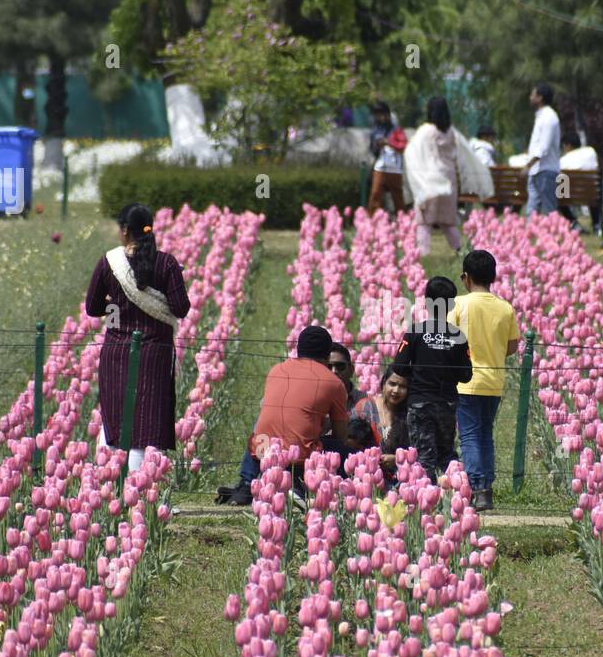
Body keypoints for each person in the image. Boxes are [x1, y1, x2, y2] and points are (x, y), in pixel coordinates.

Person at [85, 203, 192, 472]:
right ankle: (135, 490)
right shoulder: (167, 264)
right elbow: (181, 309)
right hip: (154, 355)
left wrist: (115, 302)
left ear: (124, 231)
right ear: (150, 229)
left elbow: (92, 308)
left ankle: (105, 486)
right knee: (143, 426)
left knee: (114, 417)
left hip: (116, 354)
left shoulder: (110, 263)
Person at [218, 325, 350, 506]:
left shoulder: (277, 370)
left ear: (298, 349)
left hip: (262, 452)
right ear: (327, 355)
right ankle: (302, 486)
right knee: (340, 447)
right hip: (300, 457)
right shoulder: (333, 382)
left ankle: (247, 483)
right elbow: (340, 434)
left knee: (261, 425)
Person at [449, 250, 520, 511]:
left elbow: (448, 339)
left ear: (465, 278)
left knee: (468, 435)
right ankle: (486, 488)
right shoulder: (505, 308)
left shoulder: (458, 305)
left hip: (464, 381)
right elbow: (512, 346)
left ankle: (476, 486)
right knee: (485, 434)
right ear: (494, 276)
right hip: (493, 382)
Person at [393, 276, 473, 483]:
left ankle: (426, 501)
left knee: (424, 457)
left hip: (420, 404)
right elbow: (466, 375)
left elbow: (399, 367)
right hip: (446, 404)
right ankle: (459, 492)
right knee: (447, 454)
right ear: (452, 305)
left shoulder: (414, 332)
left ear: (426, 301)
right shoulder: (458, 336)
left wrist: (420, 372)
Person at [404, 96, 463, 256]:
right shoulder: (451, 132)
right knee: (448, 221)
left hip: (430, 179)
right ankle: (460, 251)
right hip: (448, 180)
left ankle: (423, 253)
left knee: (424, 221)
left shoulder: (426, 131)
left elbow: (411, 152)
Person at [351, 365, 411, 478]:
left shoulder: (409, 415)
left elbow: (418, 451)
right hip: (365, 476)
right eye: (392, 384)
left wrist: (397, 459)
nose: (396, 390)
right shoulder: (365, 407)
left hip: (399, 480)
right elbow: (350, 442)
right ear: (383, 383)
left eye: (403, 386)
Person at [519, 83, 561, 220]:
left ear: (540, 98)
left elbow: (543, 148)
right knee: (532, 210)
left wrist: (528, 165)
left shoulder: (549, 117)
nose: (530, 97)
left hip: (546, 171)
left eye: (533, 94)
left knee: (549, 210)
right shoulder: (541, 116)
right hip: (536, 171)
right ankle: (531, 237)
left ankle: (553, 237)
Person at [560, 131, 602, 235]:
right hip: (591, 194)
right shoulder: (590, 152)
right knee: (593, 193)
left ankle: (574, 223)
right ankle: (596, 225)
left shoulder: (563, 161)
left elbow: (561, 184)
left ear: (567, 145)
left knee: (559, 197)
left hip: (569, 197)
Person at [367, 101, 406, 214]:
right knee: (375, 194)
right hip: (380, 166)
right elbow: (372, 149)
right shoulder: (375, 131)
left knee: (397, 196)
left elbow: (403, 145)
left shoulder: (396, 130)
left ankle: (402, 221)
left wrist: (388, 143)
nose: (380, 117)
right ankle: (373, 221)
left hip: (394, 168)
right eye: (378, 115)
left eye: (382, 114)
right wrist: (377, 146)